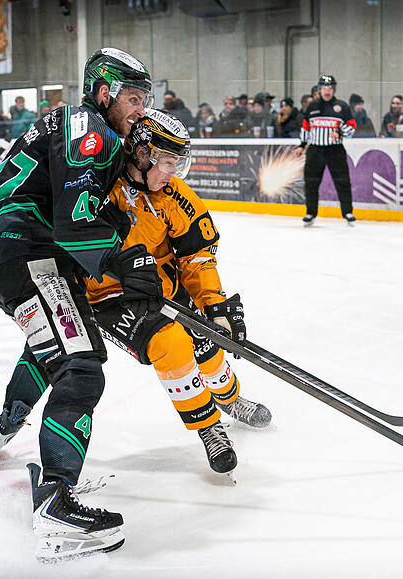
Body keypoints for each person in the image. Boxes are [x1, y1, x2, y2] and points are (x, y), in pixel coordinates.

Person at [0, 48, 161, 561]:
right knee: (80, 365)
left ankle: (6, 423)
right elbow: (75, 222)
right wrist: (125, 263)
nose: (140, 108)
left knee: (52, 346)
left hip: (14, 249)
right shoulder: (86, 125)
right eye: (134, 98)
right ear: (104, 92)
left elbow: (80, 218)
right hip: (21, 248)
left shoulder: (89, 130)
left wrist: (121, 261)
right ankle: (55, 504)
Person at [87, 109, 272, 474]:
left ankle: (231, 399)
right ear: (142, 154)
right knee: (172, 344)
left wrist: (214, 306)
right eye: (167, 163)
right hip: (110, 298)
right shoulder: (98, 188)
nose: (172, 173)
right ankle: (209, 428)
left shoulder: (174, 195)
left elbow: (197, 257)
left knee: (207, 338)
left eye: (176, 164)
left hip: (164, 290)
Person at [294, 75, 356, 226]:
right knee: (311, 182)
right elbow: (306, 127)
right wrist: (302, 145)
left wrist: (340, 133)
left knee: (342, 182)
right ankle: (310, 213)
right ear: (319, 89)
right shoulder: (312, 106)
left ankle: (347, 212)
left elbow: (352, 126)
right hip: (315, 150)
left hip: (335, 150)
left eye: (330, 88)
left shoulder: (342, 106)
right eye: (324, 88)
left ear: (334, 90)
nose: (327, 91)